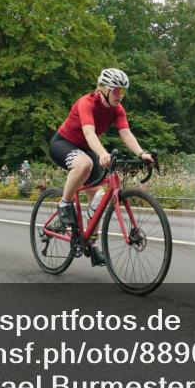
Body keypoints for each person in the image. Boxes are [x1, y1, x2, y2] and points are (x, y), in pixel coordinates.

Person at [48, 68, 153, 267]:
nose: (120, 95)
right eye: (116, 90)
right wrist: (103, 154)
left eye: (123, 91)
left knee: (97, 199)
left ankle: (90, 244)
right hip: (63, 144)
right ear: (103, 88)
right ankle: (64, 203)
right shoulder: (87, 102)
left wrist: (141, 153)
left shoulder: (117, 110)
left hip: (87, 149)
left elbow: (126, 134)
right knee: (85, 163)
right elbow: (89, 133)